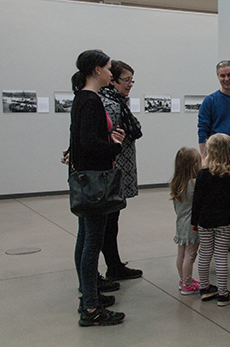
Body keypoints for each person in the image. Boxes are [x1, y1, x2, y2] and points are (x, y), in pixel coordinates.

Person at [69, 49, 125, 326]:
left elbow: (78, 140)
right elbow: (90, 143)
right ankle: (91, 308)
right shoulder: (90, 101)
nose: (110, 72)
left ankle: (88, 294)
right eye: (107, 67)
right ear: (96, 70)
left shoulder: (82, 98)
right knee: (92, 242)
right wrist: (114, 146)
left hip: (86, 178)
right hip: (96, 182)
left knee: (85, 238)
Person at [197, 60, 230, 285]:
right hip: (215, 166)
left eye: (229, 75)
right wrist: (205, 160)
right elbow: (202, 130)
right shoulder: (210, 101)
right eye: (222, 76)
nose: (226, 79)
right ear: (217, 77)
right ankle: (210, 262)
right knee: (215, 215)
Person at [98, 60, 143, 285]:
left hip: (118, 170)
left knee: (111, 220)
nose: (130, 84)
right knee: (108, 222)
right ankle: (113, 267)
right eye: (126, 80)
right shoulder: (109, 104)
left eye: (131, 80)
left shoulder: (119, 102)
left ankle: (114, 264)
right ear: (113, 80)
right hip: (112, 171)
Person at [192, 134, 230, 306]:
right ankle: (223, 293)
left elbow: (196, 201)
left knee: (205, 253)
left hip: (204, 220)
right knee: (221, 255)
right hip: (224, 221)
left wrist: (194, 221)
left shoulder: (203, 174)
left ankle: (204, 288)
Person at [169, 147, 202, 295]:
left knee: (181, 254)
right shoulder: (195, 184)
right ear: (195, 164)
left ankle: (183, 280)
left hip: (180, 223)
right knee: (191, 255)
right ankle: (188, 283)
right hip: (192, 225)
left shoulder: (176, 183)